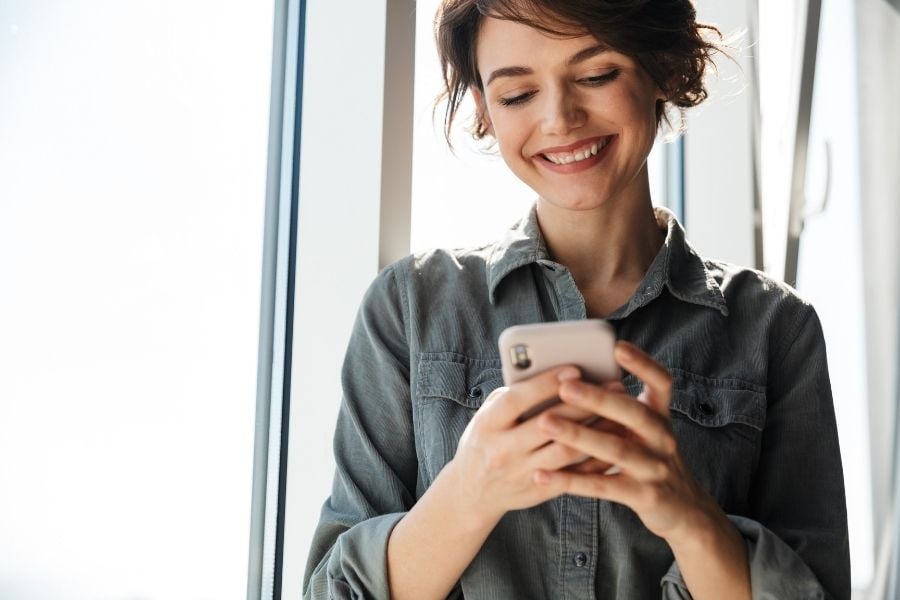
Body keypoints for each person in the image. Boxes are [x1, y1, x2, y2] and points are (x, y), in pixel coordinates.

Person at [303, 0, 850, 598]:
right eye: (516, 96)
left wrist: (689, 517)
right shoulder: (410, 308)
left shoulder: (775, 327)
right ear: (484, 110)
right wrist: (469, 492)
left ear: (664, 65)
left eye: (596, 75)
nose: (560, 119)